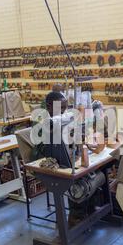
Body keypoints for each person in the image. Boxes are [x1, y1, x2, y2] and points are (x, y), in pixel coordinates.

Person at [33, 91, 101, 227]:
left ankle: (89, 211)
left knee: (94, 170)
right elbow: (43, 149)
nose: (64, 111)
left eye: (65, 107)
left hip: (63, 157)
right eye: (61, 108)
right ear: (48, 106)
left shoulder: (62, 119)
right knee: (77, 179)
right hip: (46, 161)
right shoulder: (43, 122)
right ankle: (75, 218)